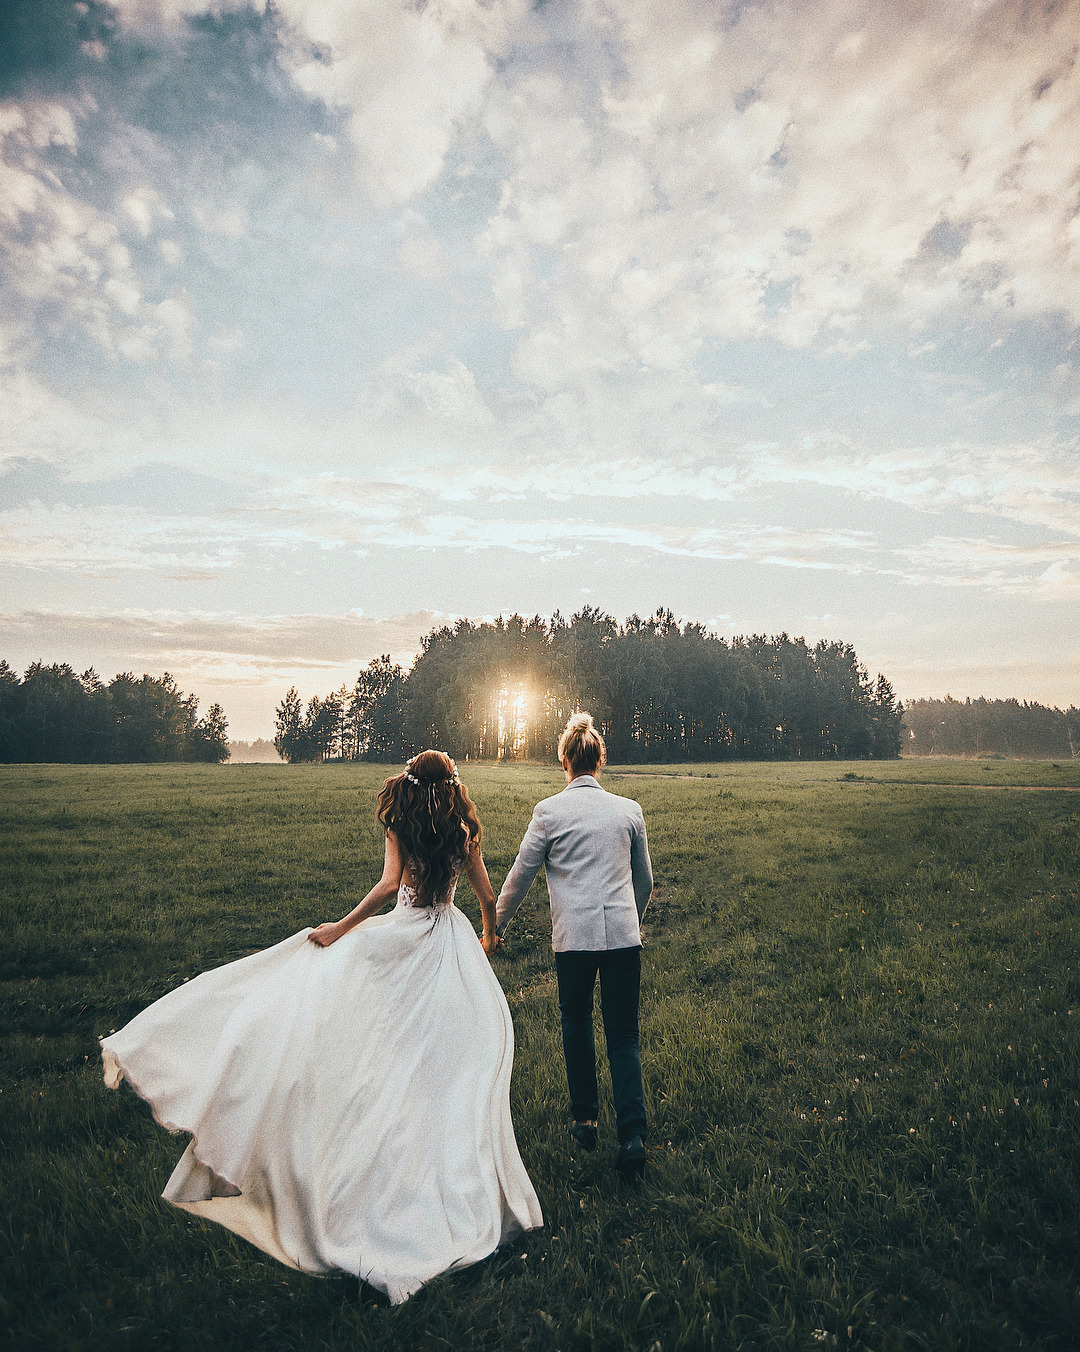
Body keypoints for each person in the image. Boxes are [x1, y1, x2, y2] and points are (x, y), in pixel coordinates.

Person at [101, 751, 542, 1305]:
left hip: (403, 938)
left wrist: (342, 928)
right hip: (448, 945)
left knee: (382, 1047)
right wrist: (489, 933)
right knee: (447, 1060)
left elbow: (388, 887)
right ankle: (440, 1168)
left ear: (408, 788)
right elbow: (483, 891)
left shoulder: (401, 823)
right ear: (451, 788)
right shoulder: (461, 830)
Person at [495, 712, 653, 1179]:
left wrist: (494, 926)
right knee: (624, 1035)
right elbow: (645, 881)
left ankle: (585, 1121)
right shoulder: (628, 811)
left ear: (563, 760)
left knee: (577, 1024)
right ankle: (633, 1136)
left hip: (574, 942)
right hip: (623, 938)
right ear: (599, 761)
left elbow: (520, 877)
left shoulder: (549, 813)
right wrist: (632, 922)